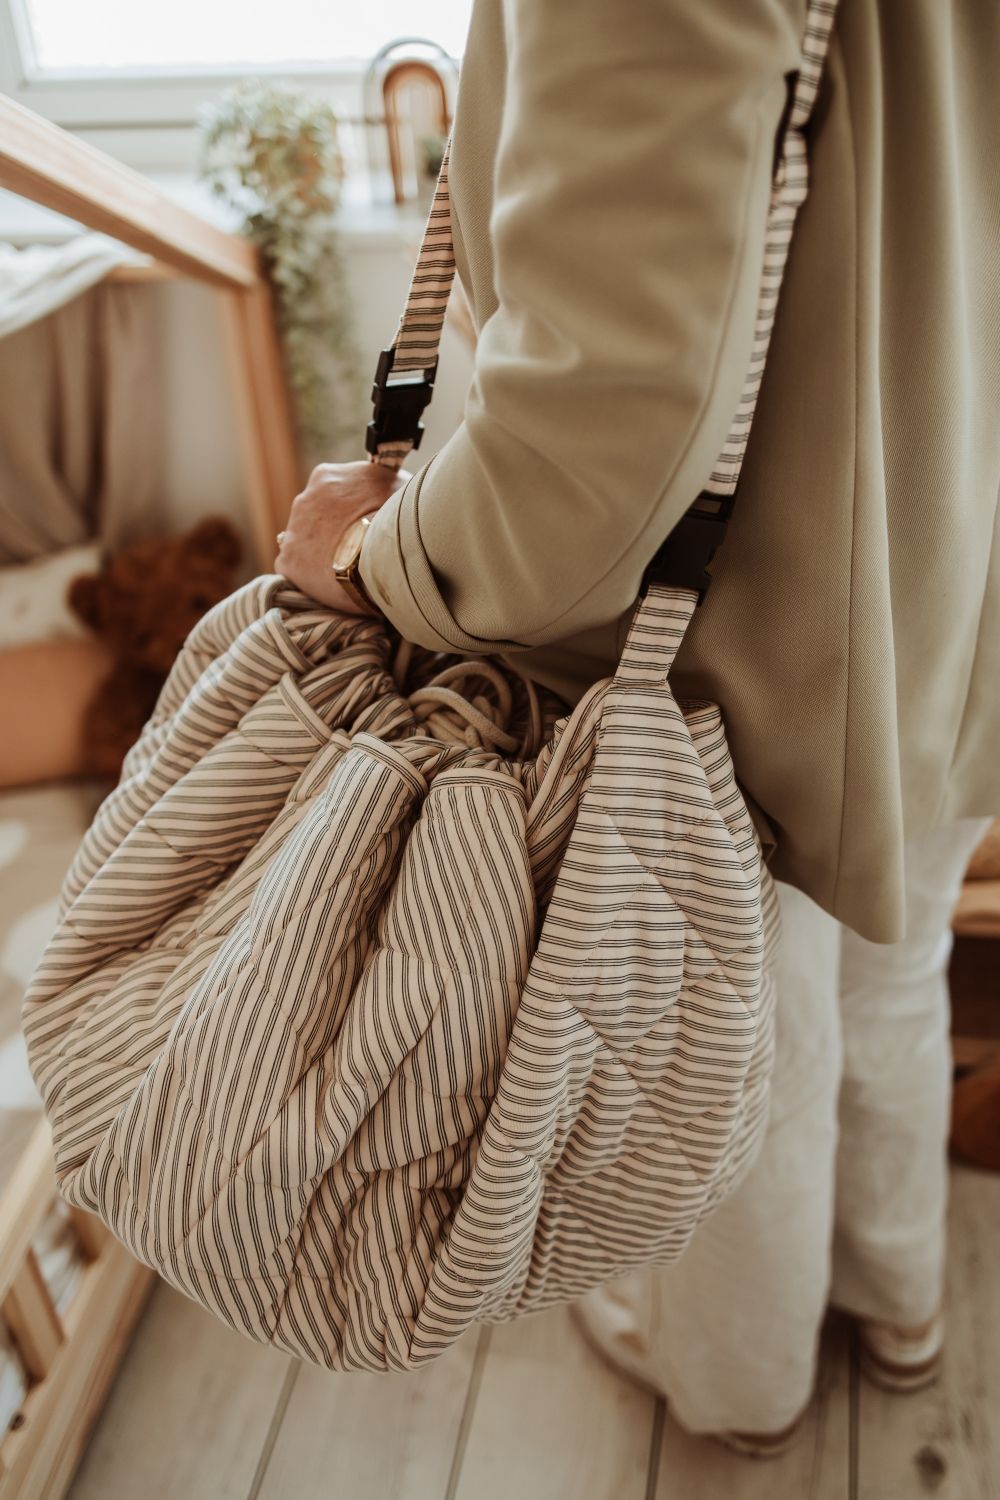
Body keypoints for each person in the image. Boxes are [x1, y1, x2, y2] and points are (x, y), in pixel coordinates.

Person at [274, 0, 1000, 1454]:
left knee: (741, 1038)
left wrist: (377, 564)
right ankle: (900, 1296)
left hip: (766, 609)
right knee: (891, 961)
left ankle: (745, 1387)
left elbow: (601, 423)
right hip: (958, 528)